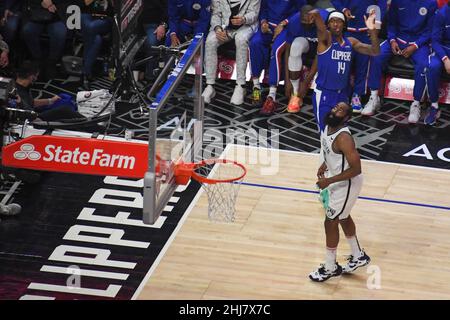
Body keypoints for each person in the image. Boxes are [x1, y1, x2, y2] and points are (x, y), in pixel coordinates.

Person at [309, 102, 370, 282]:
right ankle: (358, 256)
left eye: (341, 110)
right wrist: (324, 164)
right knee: (343, 217)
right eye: (336, 107)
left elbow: (356, 168)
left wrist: (328, 181)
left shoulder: (344, 138)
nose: (335, 110)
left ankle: (330, 267)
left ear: (346, 118)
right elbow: (332, 153)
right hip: (339, 179)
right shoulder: (328, 126)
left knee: (330, 221)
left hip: (348, 182)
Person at [361, 0, 438, 123]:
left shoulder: (431, 3)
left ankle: (416, 103)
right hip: (398, 39)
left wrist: (415, 46)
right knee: (376, 55)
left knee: (423, 64)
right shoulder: (397, 1)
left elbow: (430, 30)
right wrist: (392, 40)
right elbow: (392, 24)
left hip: (418, 43)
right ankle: (374, 97)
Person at [308, 9, 380, 132]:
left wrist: (372, 31)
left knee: (340, 131)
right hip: (324, 93)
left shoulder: (351, 42)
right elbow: (321, 30)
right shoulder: (326, 41)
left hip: (342, 94)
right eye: (332, 21)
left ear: (344, 24)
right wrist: (317, 15)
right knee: (325, 132)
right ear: (328, 25)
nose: (335, 24)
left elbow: (375, 51)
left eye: (339, 21)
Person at [331, 0, 387, 113]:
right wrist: (343, 9)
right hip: (346, 29)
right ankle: (342, 94)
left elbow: (382, 5)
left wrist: (375, 28)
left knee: (363, 65)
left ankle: (357, 95)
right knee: (343, 63)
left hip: (366, 30)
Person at [248, 0, 305, 109]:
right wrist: (263, 22)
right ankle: (256, 87)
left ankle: (272, 95)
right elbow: (263, 8)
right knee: (254, 44)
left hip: (287, 28)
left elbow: (301, 10)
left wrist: (285, 23)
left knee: (276, 50)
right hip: (268, 26)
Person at [202, 0, 260, 105]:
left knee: (241, 39)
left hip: (245, 26)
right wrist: (218, 28)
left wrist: (244, 19)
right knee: (210, 41)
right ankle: (210, 85)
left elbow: (254, 13)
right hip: (225, 27)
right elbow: (216, 13)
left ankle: (240, 85)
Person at [282, 5, 328, 113]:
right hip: (306, 44)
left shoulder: (324, 20)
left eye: (309, 22)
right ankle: (296, 93)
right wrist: (287, 80)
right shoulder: (294, 21)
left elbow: (321, 52)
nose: (307, 25)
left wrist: (306, 82)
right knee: (295, 46)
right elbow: (288, 51)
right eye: (304, 22)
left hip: (323, 48)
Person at [21, 0, 70, 80]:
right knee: (28, 30)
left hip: (58, 14)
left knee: (59, 33)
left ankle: (52, 61)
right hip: (36, 11)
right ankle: (37, 59)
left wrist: (50, 2)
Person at [424, 2, 450, 125]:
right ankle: (434, 105)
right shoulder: (442, 13)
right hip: (443, 49)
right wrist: (445, 59)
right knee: (433, 66)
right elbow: (435, 41)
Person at [80, 0, 114, 90]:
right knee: (96, 39)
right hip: (87, 14)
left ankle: (85, 74)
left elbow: (117, 6)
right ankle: (86, 73)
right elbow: (85, 3)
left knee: (91, 28)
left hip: (106, 17)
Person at [140, 0, 168, 81]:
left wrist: (163, 24)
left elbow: (167, 9)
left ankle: (151, 77)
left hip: (154, 24)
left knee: (152, 43)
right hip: (133, 22)